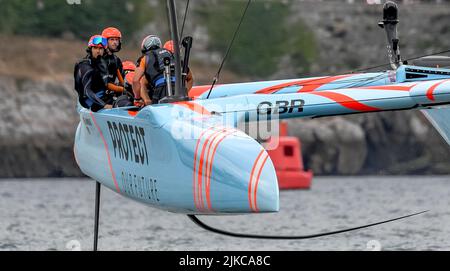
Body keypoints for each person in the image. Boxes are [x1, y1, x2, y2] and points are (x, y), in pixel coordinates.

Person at [133, 35, 175, 105]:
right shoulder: (170, 53)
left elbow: (135, 80)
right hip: (178, 88)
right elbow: (189, 78)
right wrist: (184, 92)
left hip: (161, 89)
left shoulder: (144, 58)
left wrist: (137, 98)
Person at [74, 35, 113, 111]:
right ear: (90, 49)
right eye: (95, 48)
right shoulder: (85, 66)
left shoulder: (101, 63)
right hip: (88, 101)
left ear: (104, 50)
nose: (98, 51)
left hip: (102, 96)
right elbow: (87, 91)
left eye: (101, 48)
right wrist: (104, 105)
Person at [101, 27, 125, 95]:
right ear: (105, 41)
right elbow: (104, 83)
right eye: (112, 39)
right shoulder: (99, 58)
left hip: (109, 94)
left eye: (116, 40)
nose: (115, 42)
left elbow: (123, 80)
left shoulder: (116, 60)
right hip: (97, 95)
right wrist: (123, 89)